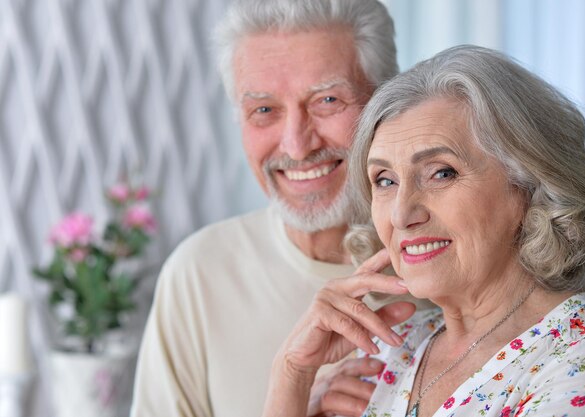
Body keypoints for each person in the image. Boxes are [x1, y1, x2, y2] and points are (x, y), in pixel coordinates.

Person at [262, 45, 585, 417]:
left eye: (441, 172)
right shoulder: (395, 346)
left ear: (529, 186)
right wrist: (292, 374)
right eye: (384, 180)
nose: (402, 213)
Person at [130, 1, 432, 416]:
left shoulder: (445, 260)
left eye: (327, 99)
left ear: (386, 102)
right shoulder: (198, 273)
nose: (296, 144)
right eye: (264, 110)